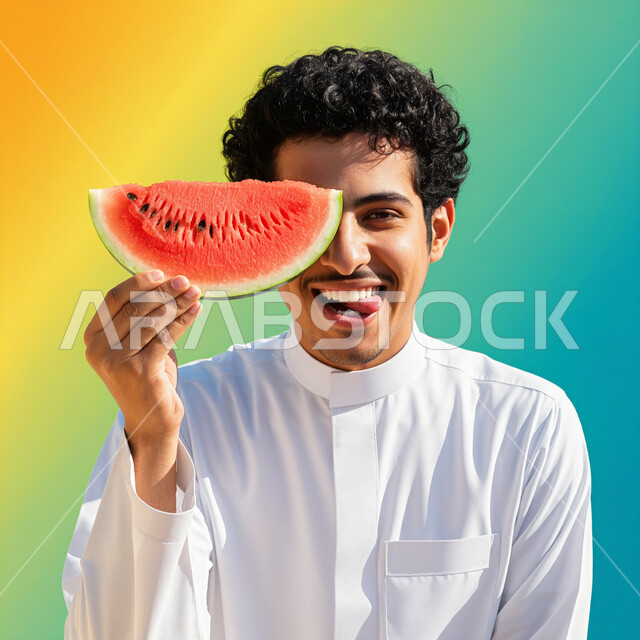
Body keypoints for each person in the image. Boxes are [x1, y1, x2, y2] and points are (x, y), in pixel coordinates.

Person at [63, 47, 592, 640]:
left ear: (436, 230)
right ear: (249, 224)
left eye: (382, 215)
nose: (346, 257)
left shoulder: (529, 425)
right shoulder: (180, 413)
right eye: (304, 222)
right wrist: (155, 437)